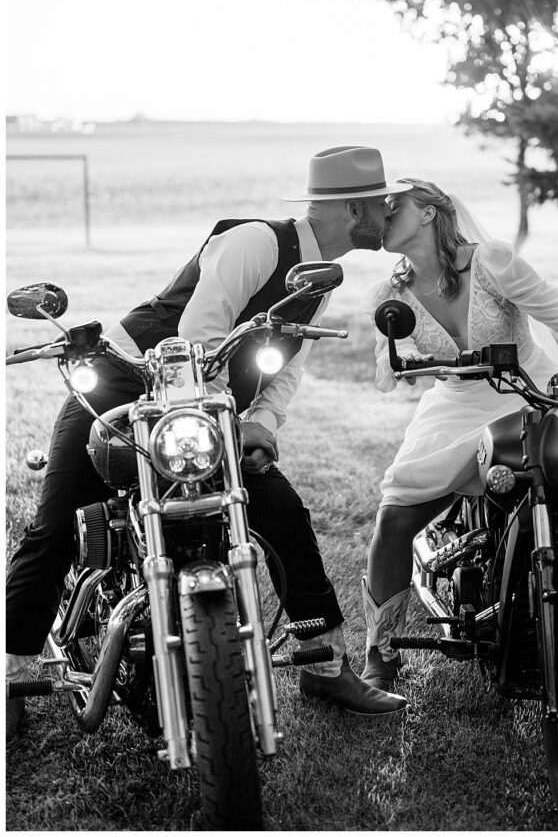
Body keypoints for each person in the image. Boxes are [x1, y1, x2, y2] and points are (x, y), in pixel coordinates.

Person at [6, 146, 414, 739]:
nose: (388, 211)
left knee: (281, 511)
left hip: (208, 410)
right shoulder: (256, 242)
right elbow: (200, 332)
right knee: (57, 519)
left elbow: (289, 364)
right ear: (354, 209)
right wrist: (221, 414)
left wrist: (261, 425)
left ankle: (325, 663)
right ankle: (13, 673)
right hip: (125, 382)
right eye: (381, 203)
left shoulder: (316, 275)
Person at [359, 178, 558, 690]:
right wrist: (408, 363)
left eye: (395, 204)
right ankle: (381, 647)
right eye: (381, 207)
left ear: (430, 212)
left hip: (526, 389)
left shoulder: (492, 261)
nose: (384, 212)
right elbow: (384, 372)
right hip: (457, 403)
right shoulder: (389, 294)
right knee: (395, 514)